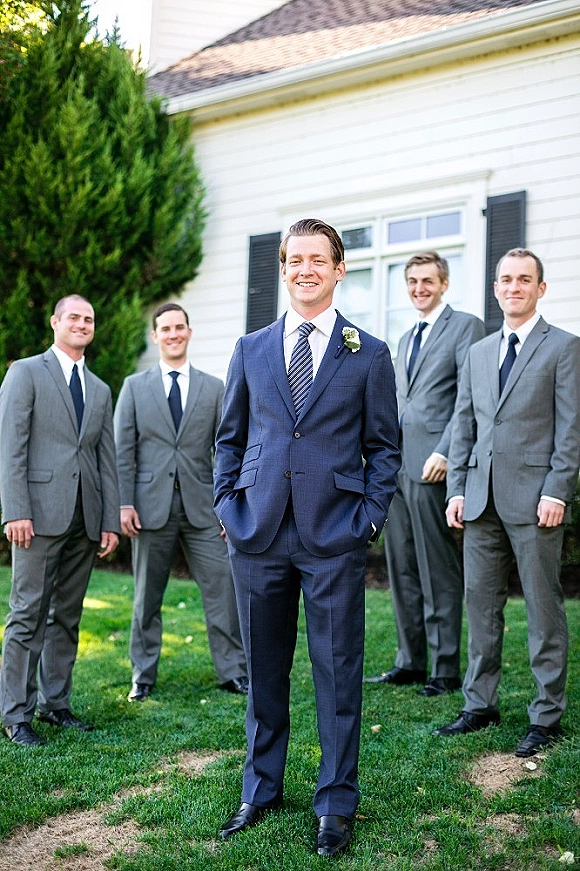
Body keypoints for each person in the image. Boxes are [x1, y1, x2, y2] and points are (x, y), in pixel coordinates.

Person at [213, 218, 400, 857]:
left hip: (334, 534)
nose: (305, 270)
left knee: (338, 673)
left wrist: (367, 518)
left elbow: (384, 447)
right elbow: (230, 437)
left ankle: (335, 804)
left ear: (339, 270)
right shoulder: (251, 348)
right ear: (284, 268)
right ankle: (260, 789)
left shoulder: (368, 353)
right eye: (295, 259)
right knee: (264, 673)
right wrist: (227, 503)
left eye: (318, 260)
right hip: (258, 531)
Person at [435, 248, 580, 757]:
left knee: (543, 609)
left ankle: (546, 715)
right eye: (506, 280)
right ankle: (480, 703)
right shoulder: (479, 352)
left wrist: (557, 489)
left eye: (524, 279)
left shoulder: (564, 347)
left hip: (536, 501)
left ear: (541, 288)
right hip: (480, 500)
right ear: (495, 288)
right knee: (480, 606)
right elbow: (464, 424)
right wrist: (456, 488)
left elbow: (571, 429)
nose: (514, 287)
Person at [0, 294, 120, 747]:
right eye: (74, 317)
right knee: (27, 614)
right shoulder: (26, 372)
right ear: (55, 322)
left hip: (84, 519)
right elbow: (10, 445)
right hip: (36, 516)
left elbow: (106, 460)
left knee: (67, 616)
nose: (82, 324)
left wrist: (109, 520)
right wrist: (16, 510)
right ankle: (15, 714)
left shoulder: (100, 389)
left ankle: (56, 704)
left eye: (89, 319)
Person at [114, 303, 247, 703]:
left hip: (203, 508)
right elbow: (122, 451)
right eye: (165, 329)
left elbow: (227, 450)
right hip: (148, 507)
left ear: (189, 332)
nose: (172, 334)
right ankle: (142, 675)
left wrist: (228, 505)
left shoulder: (213, 387)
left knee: (223, 590)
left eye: (179, 327)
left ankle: (233, 671)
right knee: (146, 596)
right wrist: (123, 503)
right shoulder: (134, 387)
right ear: (155, 336)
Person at [365, 252, 485, 695]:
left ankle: (445, 668)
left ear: (444, 283)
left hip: (434, 464)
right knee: (401, 567)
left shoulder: (465, 327)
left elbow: (470, 396)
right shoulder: (405, 336)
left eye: (427, 281)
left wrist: (448, 452)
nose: (419, 288)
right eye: (413, 281)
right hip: (396, 466)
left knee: (438, 569)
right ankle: (410, 660)